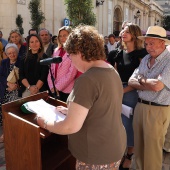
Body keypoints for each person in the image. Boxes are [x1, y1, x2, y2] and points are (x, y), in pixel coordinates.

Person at [37, 25, 126, 170]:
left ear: (79, 53)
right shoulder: (110, 70)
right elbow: (101, 108)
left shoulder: (87, 79)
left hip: (96, 155)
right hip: (113, 147)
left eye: (70, 55)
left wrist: (45, 123)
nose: (70, 60)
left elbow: (70, 126)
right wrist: (71, 111)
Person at [128, 26, 170, 170]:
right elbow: (130, 81)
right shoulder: (146, 58)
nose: (148, 47)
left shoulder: (169, 60)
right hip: (140, 106)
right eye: (146, 44)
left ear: (162, 43)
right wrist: (147, 81)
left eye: (151, 43)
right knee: (139, 148)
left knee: (152, 152)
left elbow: (157, 86)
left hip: (158, 110)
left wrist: (141, 79)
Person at [108, 23, 148, 170]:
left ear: (135, 35)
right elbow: (114, 73)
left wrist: (122, 91)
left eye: (127, 32)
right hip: (118, 89)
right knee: (117, 124)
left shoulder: (142, 54)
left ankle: (129, 156)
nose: (123, 33)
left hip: (132, 92)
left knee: (128, 125)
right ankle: (119, 153)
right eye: (123, 31)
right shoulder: (119, 52)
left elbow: (140, 79)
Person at [47, 26, 77, 102]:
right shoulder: (56, 51)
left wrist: (57, 87)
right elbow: (51, 70)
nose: (62, 38)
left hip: (67, 90)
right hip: (54, 89)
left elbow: (71, 73)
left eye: (65, 35)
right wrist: (52, 87)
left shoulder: (74, 51)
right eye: (60, 36)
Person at [0, 43, 20, 142]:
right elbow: (1, 76)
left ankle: (9, 134)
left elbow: (24, 75)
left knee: (10, 110)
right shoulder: (4, 62)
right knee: (3, 110)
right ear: (6, 54)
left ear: (17, 52)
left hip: (17, 90)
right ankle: (6, 132)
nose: (12, 55)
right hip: (6, 89)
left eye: (13, 52)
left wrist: (15, 85)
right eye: (9, 53)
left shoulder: (21, 61)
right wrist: (8, 83)